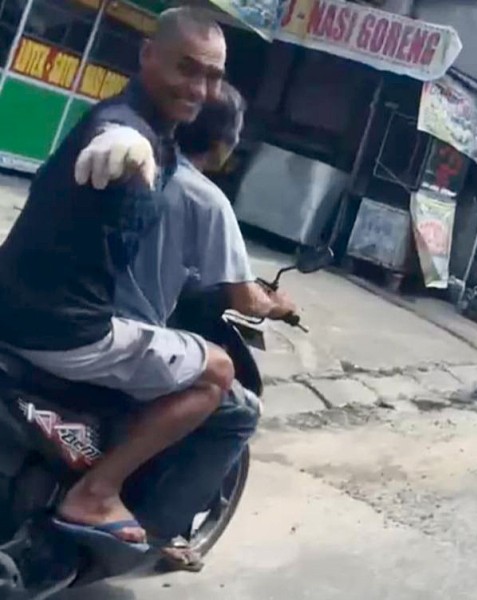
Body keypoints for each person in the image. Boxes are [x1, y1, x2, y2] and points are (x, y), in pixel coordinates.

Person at [0, 8, 237, 547]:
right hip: (64, 330)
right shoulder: (128, 127)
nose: (199, 88)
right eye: (186, 69)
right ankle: (97, 492)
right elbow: (116, 138)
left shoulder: (159, 137)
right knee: (217, 370)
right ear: (147, 57)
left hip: (15, 304)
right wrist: (124, 148)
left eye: (213, 76)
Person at [113, 81, 295, 570]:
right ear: (225, 144)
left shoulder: (130, 161)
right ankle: (149, 530)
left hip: (57, 308)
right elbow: (244, 297)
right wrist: (277, 305)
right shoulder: (205, 199)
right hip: (120, 335)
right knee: (239, 409)